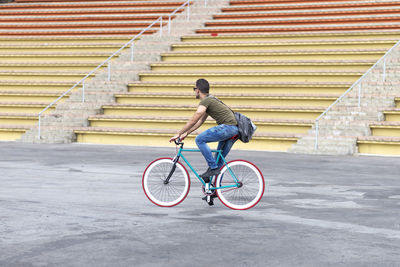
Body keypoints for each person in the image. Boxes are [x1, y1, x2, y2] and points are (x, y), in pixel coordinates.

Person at [169, 78, 239, 182]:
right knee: (218, 161)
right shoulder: (210, 100)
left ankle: (212, 167)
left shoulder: (206, 101)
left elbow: (194, 120)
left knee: (199, 139)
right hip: (234, 129)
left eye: (194, 89)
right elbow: (200, 122)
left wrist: (178, 134)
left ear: (197, 90)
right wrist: (186, 133)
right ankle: (215, 190)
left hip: (227, 128)